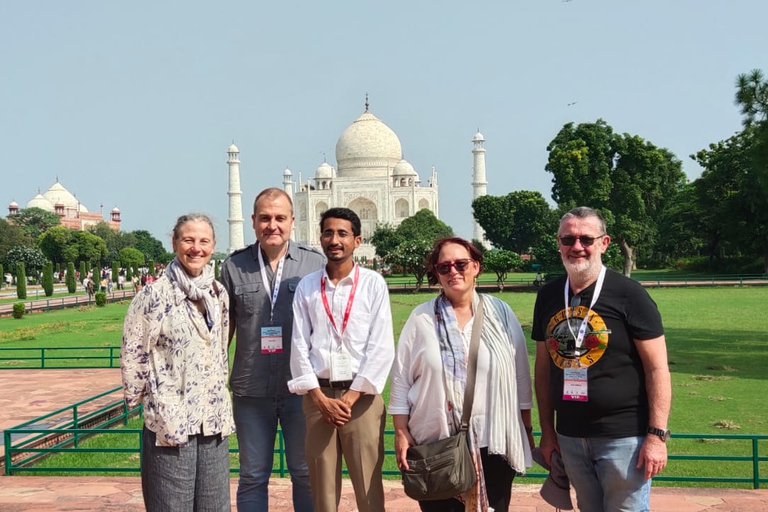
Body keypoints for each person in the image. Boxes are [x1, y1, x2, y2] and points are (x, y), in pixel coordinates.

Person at [533, 206, 671, 512]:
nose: (577, 247)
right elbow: (543, 369)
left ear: (604, 243)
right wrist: (548, 431)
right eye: (568, 239)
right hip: (570, 435)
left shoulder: (629, 295)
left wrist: (657, 436)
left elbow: (657, 368)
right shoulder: (549, 295)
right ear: (558, 243)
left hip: (624, 437)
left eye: (586, 238)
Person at [389, 237, 534, 512]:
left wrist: (525, 428)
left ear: (476, 267)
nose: (453, 271)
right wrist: (400, 430)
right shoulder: (421, 319)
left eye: (461, 264)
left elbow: (520, 376)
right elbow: (401, 379)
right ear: (436, 273)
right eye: (444, 267)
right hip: (437, 444)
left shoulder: (500, 313)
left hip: (494, 440)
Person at [121, 213, 235, 512]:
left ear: (213, 246)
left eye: (204, 241)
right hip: (170, 416)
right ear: (174, 242)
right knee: (170, 504)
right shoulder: (153, 295)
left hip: (211, 415)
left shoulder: (218, 293)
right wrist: (142, 401)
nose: (196, 248)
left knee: (215, 505)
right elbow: (134, 352)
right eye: (188, 240)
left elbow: (221, 348)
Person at [220, 188, 324, 512]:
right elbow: (225, 327)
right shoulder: (234, 266)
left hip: (301, 389)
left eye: (280, 218)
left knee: (306, 473)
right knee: (252, 475)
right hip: (252, 389)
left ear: (293, 221)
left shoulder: (314, 262)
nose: (272, 225)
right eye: (265, 218)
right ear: (253, 221)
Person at [288, 207, 395, 512]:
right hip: (318, 396)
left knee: (368, 488)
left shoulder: (373, 284)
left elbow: (382, 347)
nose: (334, 240)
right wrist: (319, 398)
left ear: (357, 240)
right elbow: (299, 344)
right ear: (320, 238)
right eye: (328, 232)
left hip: (361, 399)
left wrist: (349, 398)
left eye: (342, 233)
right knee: (321, 490)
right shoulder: (308, 286)